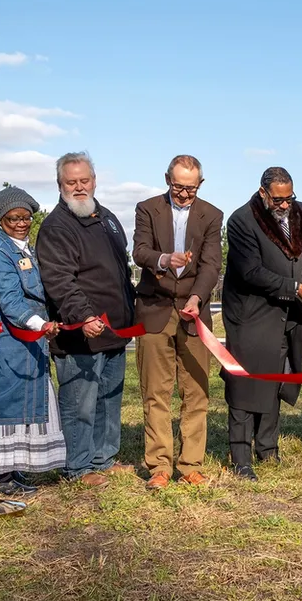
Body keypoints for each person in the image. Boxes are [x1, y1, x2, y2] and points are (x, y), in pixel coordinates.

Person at [35, 152, 136, 487]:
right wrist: (84, 315)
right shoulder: (56, 227)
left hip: (114, 332)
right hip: (81, 334)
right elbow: (60, 280)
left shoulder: (106, 217)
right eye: (70, 182)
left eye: (84, 180)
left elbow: (120, 271)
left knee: (109, 400)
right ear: (60, 185)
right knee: (80, 403)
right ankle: (77, 468)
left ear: (94, 180)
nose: (78, 187)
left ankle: (102, 460)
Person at [222, 166, 302, 481]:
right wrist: (296, 289)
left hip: (287, 314)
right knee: (244, 385)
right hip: (251, 315)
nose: (284, 205)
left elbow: (300, 251)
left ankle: (268, 448)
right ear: (263, 193)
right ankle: (241, 457)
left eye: (288, 198)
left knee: (276, 380)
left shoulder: (299, 211)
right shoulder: (241, 221)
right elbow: (251, 272)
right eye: (277, 199)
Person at [0, 187, 66, 489]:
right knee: (3, 406)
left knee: (24, 406)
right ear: (0, 219)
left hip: (29, 343)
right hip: (8, 342)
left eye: (26, 218)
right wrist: (40, 325)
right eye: (13, 218)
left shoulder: (25, 249)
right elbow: (10, 301)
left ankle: (10, 468)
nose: (21, 223)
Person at [132, 155, 223, 491]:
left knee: (196, 391)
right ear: (166, 179)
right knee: (155, 392)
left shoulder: (212, 215)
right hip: (154, 309)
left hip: (194, 311)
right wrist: (162, 259)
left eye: (191, 188)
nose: (184, 195)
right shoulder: (147, 208)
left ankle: (190, 465)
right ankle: (158, 465)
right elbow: (139, 251)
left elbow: (212, 265)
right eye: (178, 187)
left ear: (200, 184)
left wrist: (198, 298)